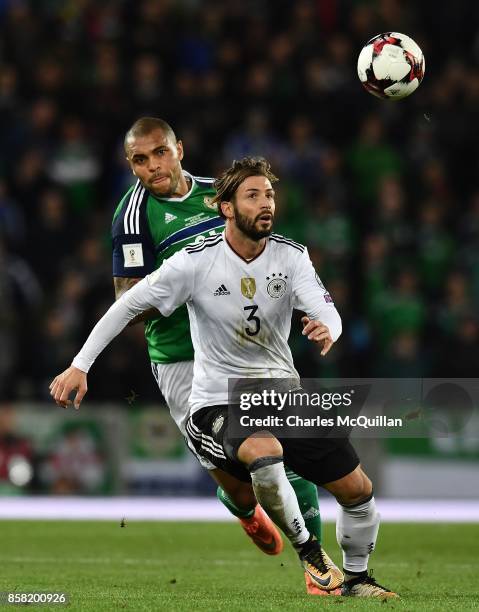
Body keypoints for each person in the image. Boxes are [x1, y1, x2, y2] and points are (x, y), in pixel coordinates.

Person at [51, 157, 397, 599]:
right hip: (219, 399)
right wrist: (80, 364)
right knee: (265, 453)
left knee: (358, 490)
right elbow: (125, 307)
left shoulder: (290, 255)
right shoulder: (193, 263)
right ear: (227, 208)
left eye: (269, 194)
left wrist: (329, 327)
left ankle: (358, 580)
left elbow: (324, 305)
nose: (266, 203)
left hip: (282, 392)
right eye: (253, 196)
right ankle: (311, 554)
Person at [111, 117, 330, 595]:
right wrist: (185, 284)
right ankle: (243, 508)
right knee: (241, 483)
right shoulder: (132, 217)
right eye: (140, 161)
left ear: (180, 149)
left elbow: (263, 249)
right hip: (180, 361)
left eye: (160, 153)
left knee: (283, 455)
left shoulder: (221, 193)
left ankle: (316, 566)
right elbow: (126, 302)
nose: (154, 167)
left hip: (244, 346)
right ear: (131, 165)